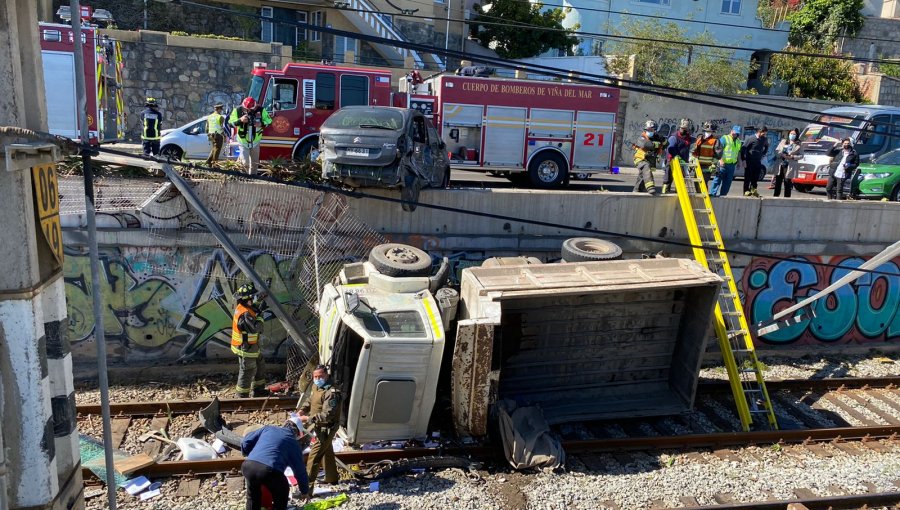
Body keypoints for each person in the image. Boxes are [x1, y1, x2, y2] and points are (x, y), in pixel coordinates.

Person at [241, 415, 310, 510]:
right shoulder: (293, 443)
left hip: (248, 466)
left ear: (285, 424)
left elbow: (246, 440)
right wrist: (304, 491)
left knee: (253, 496)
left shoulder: (269, 429)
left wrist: (248, 453)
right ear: (297, 433)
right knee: (282, 491)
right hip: (268, 470)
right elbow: (300, 471)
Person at [299, 365, 342, 495]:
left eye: (320, 376)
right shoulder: (316, 386)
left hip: (326, 429)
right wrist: (302, 410)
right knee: (327, 452)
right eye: (315, 377)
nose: (317, 379)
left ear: (326, 375)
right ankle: (332, 478)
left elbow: (327, 415)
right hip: (318, 427)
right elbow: (311, 400)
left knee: (313, 458)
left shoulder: (332, 393)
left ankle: (306, 490)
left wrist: (307, 418)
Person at [231, 283, 269, 398]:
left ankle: (258, 390)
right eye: (252, 297)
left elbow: (253, 308)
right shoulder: (245, 314)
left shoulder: (244, 307)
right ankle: (242, 395)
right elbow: (258, 328)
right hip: (246, 348)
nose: (253, 299)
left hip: (251, 346)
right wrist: (261, 315)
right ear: (247, 300)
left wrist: (259, 302)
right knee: (248, 370)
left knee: (259, 364)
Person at [229, 97, 272, 174]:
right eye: (245, 109)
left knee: (255, 164)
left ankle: (253, 179)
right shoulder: (237, 110)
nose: (247, 111)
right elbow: (230, 124)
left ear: (254, 106)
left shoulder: (261, 110)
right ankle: (244, 179)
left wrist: (261, 123)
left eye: (249, 109)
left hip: (255, 141)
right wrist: (240, 120)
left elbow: (269, 121)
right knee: (245, 163)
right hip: (243, 142)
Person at [632, 120, 667, 195]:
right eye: (648, 130)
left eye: (651, 130)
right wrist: (658, 144)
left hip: (649, 159)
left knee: (642, 176)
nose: (649, 131)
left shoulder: (657, 137)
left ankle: (637, 191)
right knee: (646, 166)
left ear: (655, 130)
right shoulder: (641, 137)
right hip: (639, 158)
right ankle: (651, 188)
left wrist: (661, 140)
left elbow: (666, 143)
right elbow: (647, 145)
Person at [709, 125, 743, 197]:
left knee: (727, 182)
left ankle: (723, 195)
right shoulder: (725, 138)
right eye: (734, 132)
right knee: (717, 180)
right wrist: (720, 160)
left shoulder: (738, 142)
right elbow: (718, 150)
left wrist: (739, 161)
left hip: (732, 165)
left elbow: (738, 152)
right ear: (731, 131)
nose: (735, 134)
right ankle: (712, 194)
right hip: (723, 164)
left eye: (737, 133)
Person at [664, 118, 695, 193]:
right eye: (688, 129)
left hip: (683, 162)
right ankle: (665, 192)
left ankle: (678, 194)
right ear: (684, 129)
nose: (689, 131)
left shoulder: (688, 138)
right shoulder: (674, 137)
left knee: (681, 180)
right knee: (668, 179)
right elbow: (670, 149)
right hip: (672, 162)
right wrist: (675, 156)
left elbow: (693, 146)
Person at [692, 121, 723, 188]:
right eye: (707, 131)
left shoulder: (715, 140)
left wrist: (714, 164)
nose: (708, 133)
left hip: (708, 166)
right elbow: (694, 151)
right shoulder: (699, 139)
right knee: (697, 183)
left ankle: (704, 197)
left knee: (703, 183)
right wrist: (692, 160)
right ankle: (699, 196)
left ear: (712, 132)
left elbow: (718, 154)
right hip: (698, 165)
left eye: (710, 132)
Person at [773, 128, 803, 198]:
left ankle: (786, 198)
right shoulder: (783, 141)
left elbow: (801, 155)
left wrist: (793, 157)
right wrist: (781, 154)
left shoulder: (799, 144)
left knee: (787, 183)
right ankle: (775, 197)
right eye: (791, 134)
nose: (792, 135)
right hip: (781, 164)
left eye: (794, 134)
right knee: (778, 182)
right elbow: (777, 151)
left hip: (790, 165)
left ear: (797, 135)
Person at [741, 126, 769, 197]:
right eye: (763, 133)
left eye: (765, 134)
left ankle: (753, 190)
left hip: (757, 161)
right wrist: (743, 160)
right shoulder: (751, 138)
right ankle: (746, 191)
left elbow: (766, 146)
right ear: (759, 132)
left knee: (756, 177)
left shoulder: (764, 139)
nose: (764, 135)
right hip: (749, 161)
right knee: (748, 177)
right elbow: (743, 149)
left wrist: (763, 154)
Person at [205, 103, 227, 168]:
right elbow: (222, 128)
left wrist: (208, 135)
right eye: (221, 110)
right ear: (219, 109)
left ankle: (209, 162)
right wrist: (224, 136)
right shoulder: (220, 117)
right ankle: (214, 164)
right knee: (217, 150)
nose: (221, 111)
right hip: (218, 135)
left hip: (211, 135)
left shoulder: (209, 117)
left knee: (214, 148)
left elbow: (206, 127)